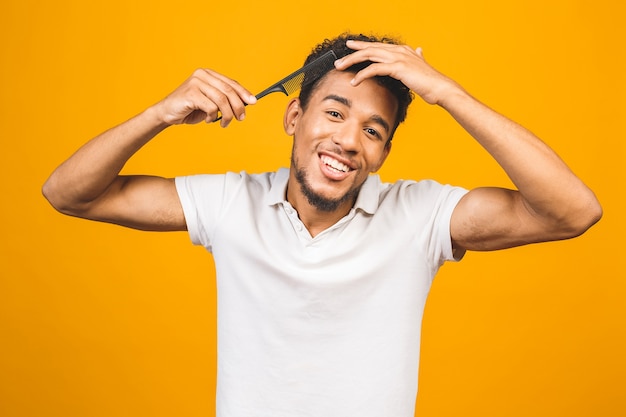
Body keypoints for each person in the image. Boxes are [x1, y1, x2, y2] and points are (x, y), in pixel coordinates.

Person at [42, 33, 602, 417]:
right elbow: (68, 193)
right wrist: (158, 114)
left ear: (384, 151)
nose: (348, 141)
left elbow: (571, 212)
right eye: (334, 113)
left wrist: (446, 93)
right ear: (293, 117)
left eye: (373, 130)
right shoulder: (230, 202)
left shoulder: (421, 216)